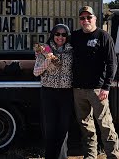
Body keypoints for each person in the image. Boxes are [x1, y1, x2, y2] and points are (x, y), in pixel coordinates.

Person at [71, 6, 119, 158]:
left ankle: (112, 155)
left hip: (98, 90)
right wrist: (44, 50)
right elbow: (56, 42)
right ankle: (90, 156)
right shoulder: (74, 36)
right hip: (78, 89)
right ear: (79, 20)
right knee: (85, 126)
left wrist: (106, 87)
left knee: (105, 125)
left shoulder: (103, 36)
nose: (85, 20)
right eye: (82, 18)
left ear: (95, 18)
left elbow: (112, 63)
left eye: (88, 17)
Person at [33, 24, 73, 159]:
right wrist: (48, 59)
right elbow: (36, 72)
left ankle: (62, 157)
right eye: (57, 34)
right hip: (48, 93)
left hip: (66, 93)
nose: (60, 37)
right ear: (53, 35)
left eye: (63, 34)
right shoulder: (45, 49)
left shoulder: (72, 50)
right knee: (49, 128)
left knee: (63, 129)